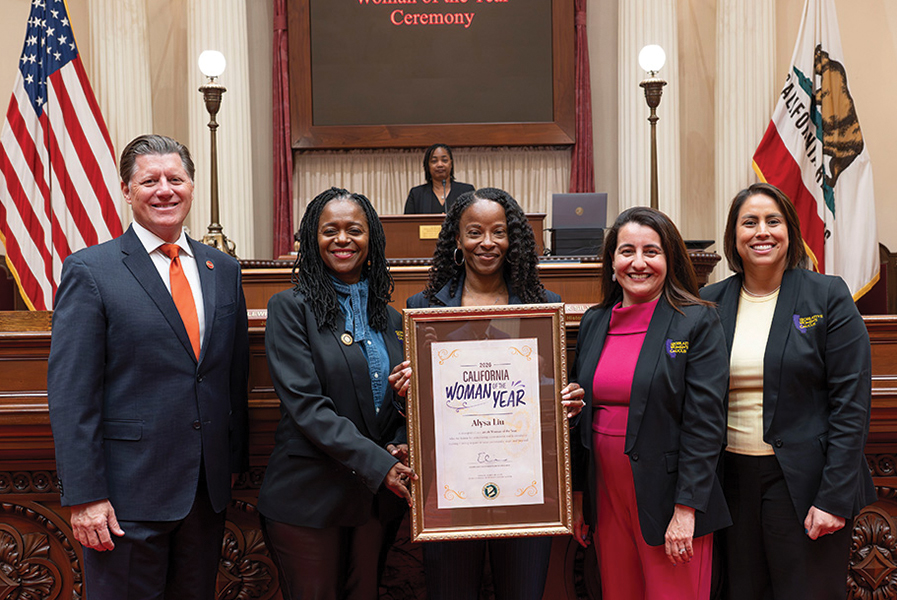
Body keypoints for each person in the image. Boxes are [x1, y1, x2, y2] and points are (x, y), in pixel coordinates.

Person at [47, 134, 250, 600]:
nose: (165, 190)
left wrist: (231, 465)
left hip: (204, 495)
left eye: (175, 179)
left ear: (192, 187)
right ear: (126, 190)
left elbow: (232, 377)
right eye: (150, 180)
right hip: (122, 501)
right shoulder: (92, 270)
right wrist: (86, 496)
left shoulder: (224, 268)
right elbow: (72, 394)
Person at [392, 187, 585, 599]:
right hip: (450, 487)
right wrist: (404, 390)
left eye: (499, 232)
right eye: (474, 232)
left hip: (528, 487)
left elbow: (551, 396)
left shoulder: (543, 307)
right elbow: (416, 410)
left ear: (512, 238)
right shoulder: (424, 309)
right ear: (457, 240)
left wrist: (567, 401)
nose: (487, 243)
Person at [700, 183, 875, 600]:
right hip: (732, 485)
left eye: (772, 221)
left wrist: (833, 497)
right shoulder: (709, 302)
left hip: (806, 485)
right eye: (750, 222)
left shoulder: (827, 295)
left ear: (790, 232)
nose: (762, 232)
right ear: (734, 236)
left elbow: (851, 405)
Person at [258, 187, 417, 600]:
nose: (342, 239)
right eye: (330, 230)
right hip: (308, 499)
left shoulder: (395, 320)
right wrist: (381, 464)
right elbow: (307, 407)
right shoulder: (289, 309)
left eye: (354, 230)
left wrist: (400, 444)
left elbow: (397, 403)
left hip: (373, 503)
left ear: (372, 240)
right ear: (313, 238)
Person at [570, 206, 731, 600]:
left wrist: (686, 509)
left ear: (669, 259)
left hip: (670, 499)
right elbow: (579, 414)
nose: (638, 263)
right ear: (611, 262)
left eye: (651, 252)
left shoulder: (696, 321)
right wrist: (578, 500)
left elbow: (705, 423)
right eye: (627, 251)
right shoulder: (594, 321)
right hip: (606, 497)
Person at [403, 143, 475, 214]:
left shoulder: (466, 191)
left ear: (451, 164)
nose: (440, 165)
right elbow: (408, 224)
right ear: (428, 166)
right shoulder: (416, 194)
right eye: (434, 161)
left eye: (444, 160)